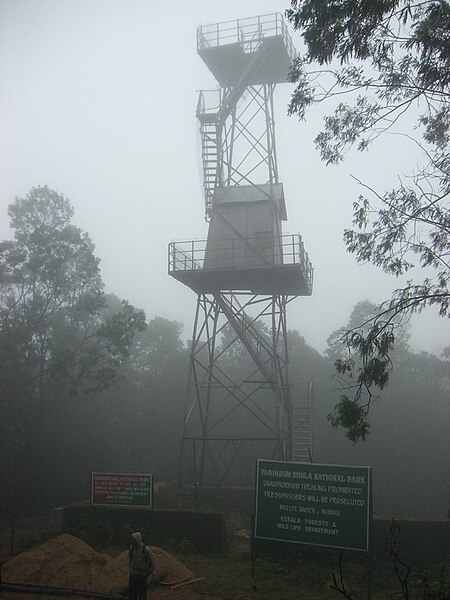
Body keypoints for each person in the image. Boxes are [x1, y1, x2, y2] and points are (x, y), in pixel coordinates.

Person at [128, 531, 155, 600]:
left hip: (142, 575)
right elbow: (130, 558)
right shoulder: (131, 548)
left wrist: (149, 572)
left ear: (137, 540)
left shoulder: (145, 549)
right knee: (132, 593)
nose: (131, 541)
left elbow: (152, 562)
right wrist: (130, 568)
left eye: (132, 540)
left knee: (142, 594)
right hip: (133, 574)